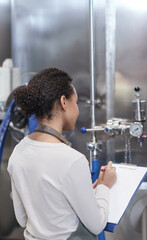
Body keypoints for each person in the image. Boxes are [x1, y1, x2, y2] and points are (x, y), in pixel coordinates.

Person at [7, 68, 117, 240]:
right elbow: (97, 225)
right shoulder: (72, 160)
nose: (78, 110)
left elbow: (23, 219)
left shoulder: (18, 152)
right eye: (77, 102)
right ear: (64, 102)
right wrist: (105, 186)